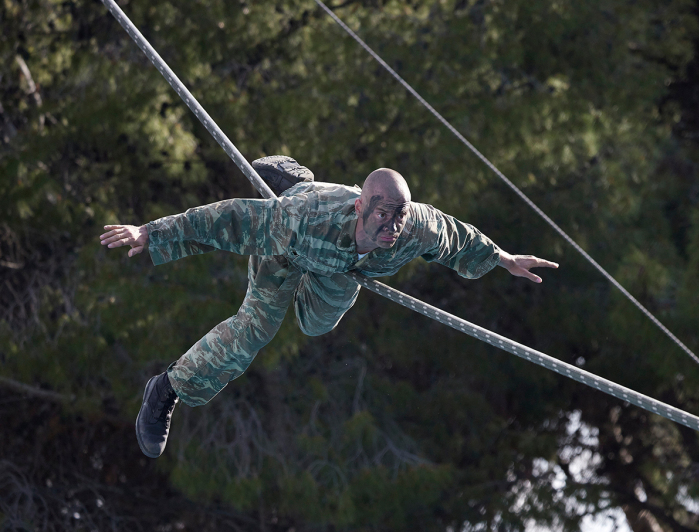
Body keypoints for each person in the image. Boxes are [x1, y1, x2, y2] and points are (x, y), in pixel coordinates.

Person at [100, 156, 559, 458]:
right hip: (293, 249)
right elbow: (229, 218)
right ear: (361, 206)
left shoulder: (416, 227)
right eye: (383, 216)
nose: (393, 228)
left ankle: (302, 182)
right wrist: (151, 233)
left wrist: (504, 260)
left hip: (338, 270)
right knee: (253, 331)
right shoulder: (299, 223)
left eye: (399, 216)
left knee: (316, 322)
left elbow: (458, 237)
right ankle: (167, 389)